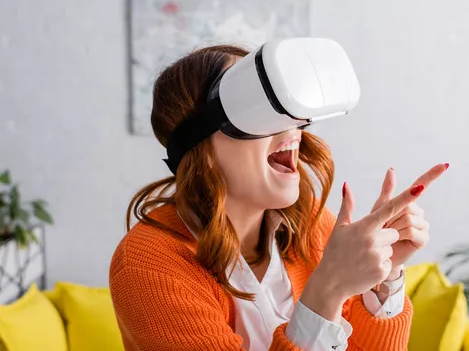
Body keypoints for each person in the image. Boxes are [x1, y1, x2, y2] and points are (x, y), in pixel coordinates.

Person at [109, 44, 448, 350]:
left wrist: (385, 276)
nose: (293, 127)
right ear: (202, 149)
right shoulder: (147, 263)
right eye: (256, 111)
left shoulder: (310, 226)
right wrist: (326, 291)